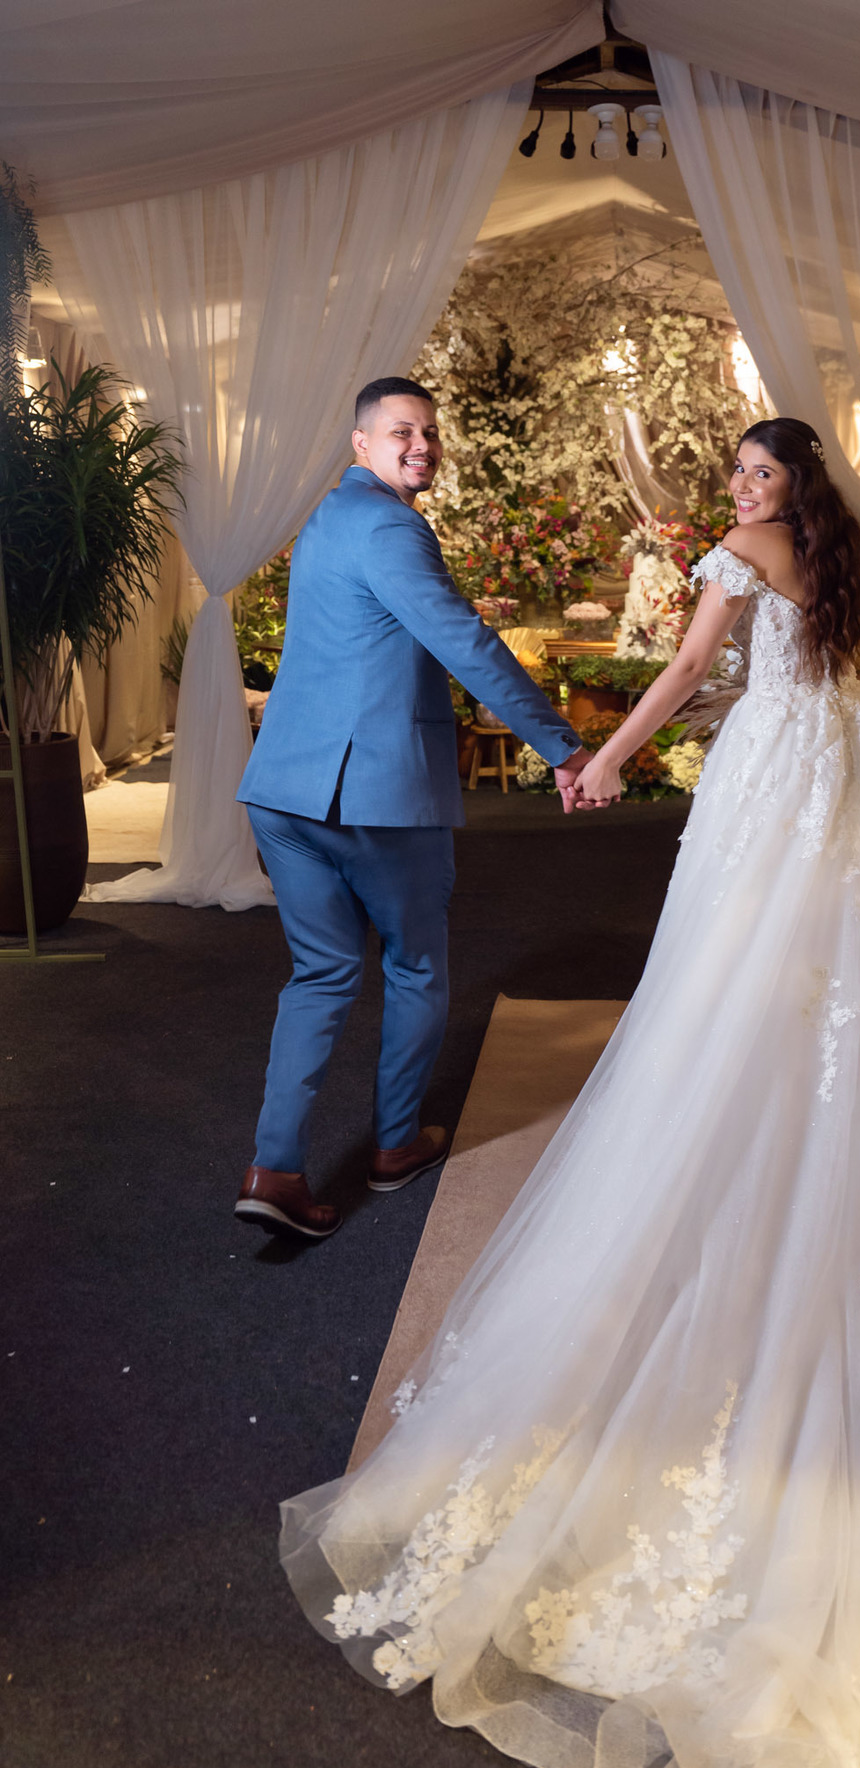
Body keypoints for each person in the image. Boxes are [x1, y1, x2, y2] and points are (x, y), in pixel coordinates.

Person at [280, 419, 860, 1768]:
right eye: (741, 475)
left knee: (744, 973)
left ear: (787, 484)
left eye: (759, 472)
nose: (744, 488)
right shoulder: (840, 546)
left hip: (779, 768)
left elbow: (686, 671)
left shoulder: (744, 552)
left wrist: (606, 759)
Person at [234, 377, 594, 1241]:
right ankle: (395, 1146)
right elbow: (465, 641)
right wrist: (565, 748)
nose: (422, 445)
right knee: (416, 966)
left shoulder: (327, 517)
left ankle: (273, 1169)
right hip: (375, 796)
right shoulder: (391, 526)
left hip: (283, 790)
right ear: (361, 443)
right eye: (402, 431)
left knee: (320, 975)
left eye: (429, 431)